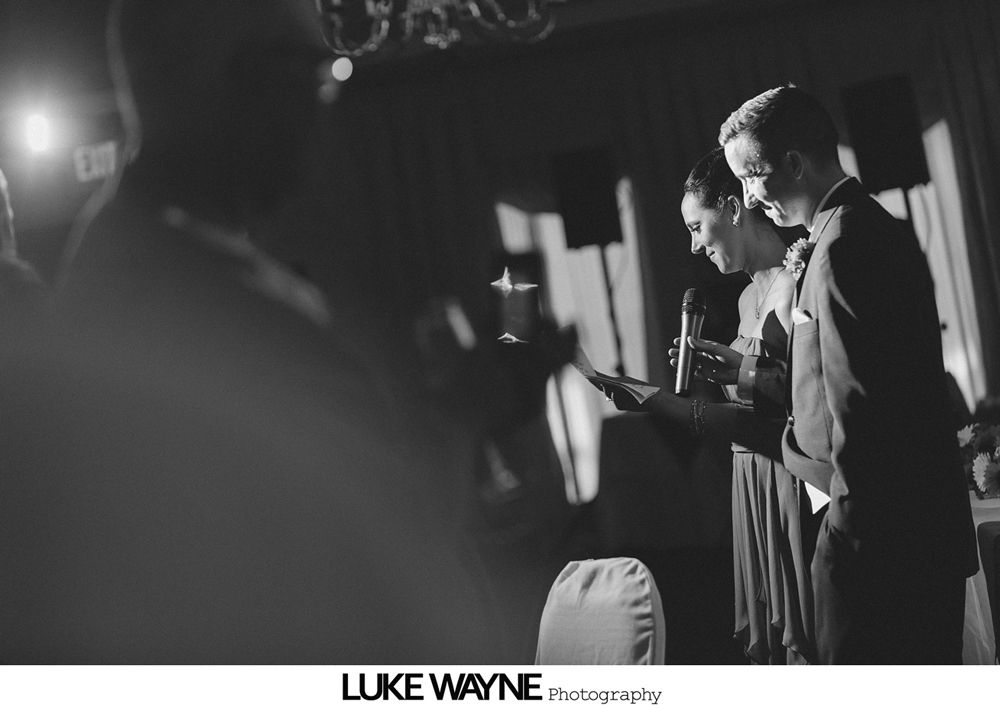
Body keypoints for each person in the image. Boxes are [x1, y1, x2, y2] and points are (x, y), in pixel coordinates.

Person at [0, 0, 491, 663]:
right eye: (308, 73)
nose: (322, 107)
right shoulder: (208, 312)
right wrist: (468, 406)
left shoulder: (125, 252)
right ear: (219, 77)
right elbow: (388, 561)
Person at [718, 84, 978, 664]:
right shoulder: (848, 228)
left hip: (884, 548)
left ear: (792, 163)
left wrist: (839, 544)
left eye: (751, 175)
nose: (748, 198)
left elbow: (864, 413)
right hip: (899, 536)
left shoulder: (845, 244)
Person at [610, 148, 819, 664]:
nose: (694, 246)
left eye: (697, 226)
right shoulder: (748, 300)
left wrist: (672, 406)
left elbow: (806, 397)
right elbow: (760, 395)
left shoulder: (802, 279)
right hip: (750, 482)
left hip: (791, 475)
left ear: (731, 207)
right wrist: (724, 372)